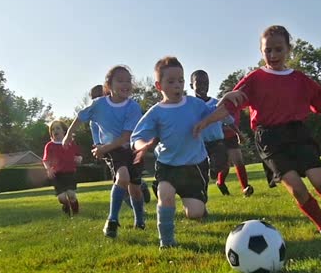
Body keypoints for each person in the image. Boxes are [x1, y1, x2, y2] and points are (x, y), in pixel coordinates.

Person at [194, 25, 321, 236]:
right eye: (267, 50)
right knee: (297, 188)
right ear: (261, 52)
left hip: (298, 134)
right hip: (270, 139)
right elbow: (229, 106)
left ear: (289, 49)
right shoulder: (254, 79)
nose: (273, 55)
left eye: (278, 49)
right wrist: (205, 122)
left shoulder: (299, 79)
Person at [132, 57, 213, 249]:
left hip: (194, 166)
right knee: (165, 196)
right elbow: (137, 136)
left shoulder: (194, 104)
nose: (177, 85)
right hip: (167, 166)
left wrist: (229, 100)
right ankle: (166, 242)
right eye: (171, 81)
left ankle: (198, 207)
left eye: (181, 80)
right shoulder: (155, 112)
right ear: (159, 85)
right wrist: (142, 146)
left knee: (194, 213)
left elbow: (217, 112)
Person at [65, 66, 146, 238]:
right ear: (109, 85)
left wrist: (102, 149)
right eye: (120, 80)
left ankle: (140, 221)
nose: (125, 84)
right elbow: (80, 116)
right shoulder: (99, 104)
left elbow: (126, 137)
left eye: (128, 81)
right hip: (114, 151)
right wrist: (68, 134)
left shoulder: (133, 107)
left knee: (135, 189)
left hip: (131, 149)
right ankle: (112, 221)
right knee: (122, 178)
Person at [88, 84, 151, 207]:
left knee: (132, 176)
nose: (97, 101)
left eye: (100, 97)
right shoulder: (94, 119)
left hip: (127, 148)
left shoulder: (122, 109)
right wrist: (99, 148)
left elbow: (130, 131)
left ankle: (140, 184)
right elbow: (96, 138)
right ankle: (132, 204)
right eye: (94, 99)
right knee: (121, 178)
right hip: (111, 151)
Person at [189, 69, 235, 196]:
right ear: (192, 85)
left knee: (222, 163)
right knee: (201, 172)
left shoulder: (216, 103)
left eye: (206, 83)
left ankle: (214, 170)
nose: (203, 86)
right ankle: (201, 196)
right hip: (199, 143)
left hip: (216, 141)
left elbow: (228, 120)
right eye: (199, 83)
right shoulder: (190, 105)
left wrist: (238, 133)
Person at [216, 97, 254, 196]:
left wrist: (238, 134)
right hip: (221, 138)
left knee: (239, 161)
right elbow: (218, 123)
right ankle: (220, 182)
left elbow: (235, 123)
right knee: (226, 165)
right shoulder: (222, 107)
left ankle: (245, 187)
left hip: (232, 137)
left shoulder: (238, 109)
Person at [42, 120, 82, 216]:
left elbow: (79, 155)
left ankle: (75, 212)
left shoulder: (71, 143)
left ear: (64, 131)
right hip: (57, 175)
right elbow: (45, 160)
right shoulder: (49, 146)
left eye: (58, 128)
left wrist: (79, 159)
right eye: (53, 129)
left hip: (70, 173)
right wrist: (48, 169)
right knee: (62, 198)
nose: (55, 130)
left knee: (71, 195)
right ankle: (66, 207)